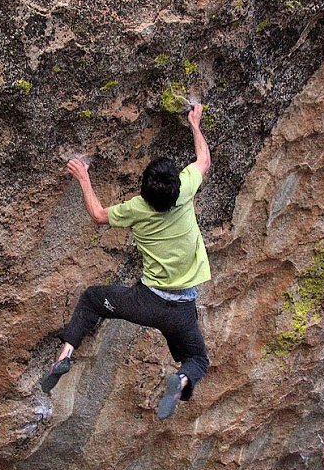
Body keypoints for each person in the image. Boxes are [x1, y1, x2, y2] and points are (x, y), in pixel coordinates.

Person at [41, 103, 212, 420]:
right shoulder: (186, 189)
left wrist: (83, 176)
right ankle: (183, 379)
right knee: (196, 359)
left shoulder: (136, 208)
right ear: (176, 188)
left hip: (145, 302)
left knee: (92, 300)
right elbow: (203, 159)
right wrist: (195, 123)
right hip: (181, 311)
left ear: (144, 191)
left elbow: (97, 214)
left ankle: (65, 355)